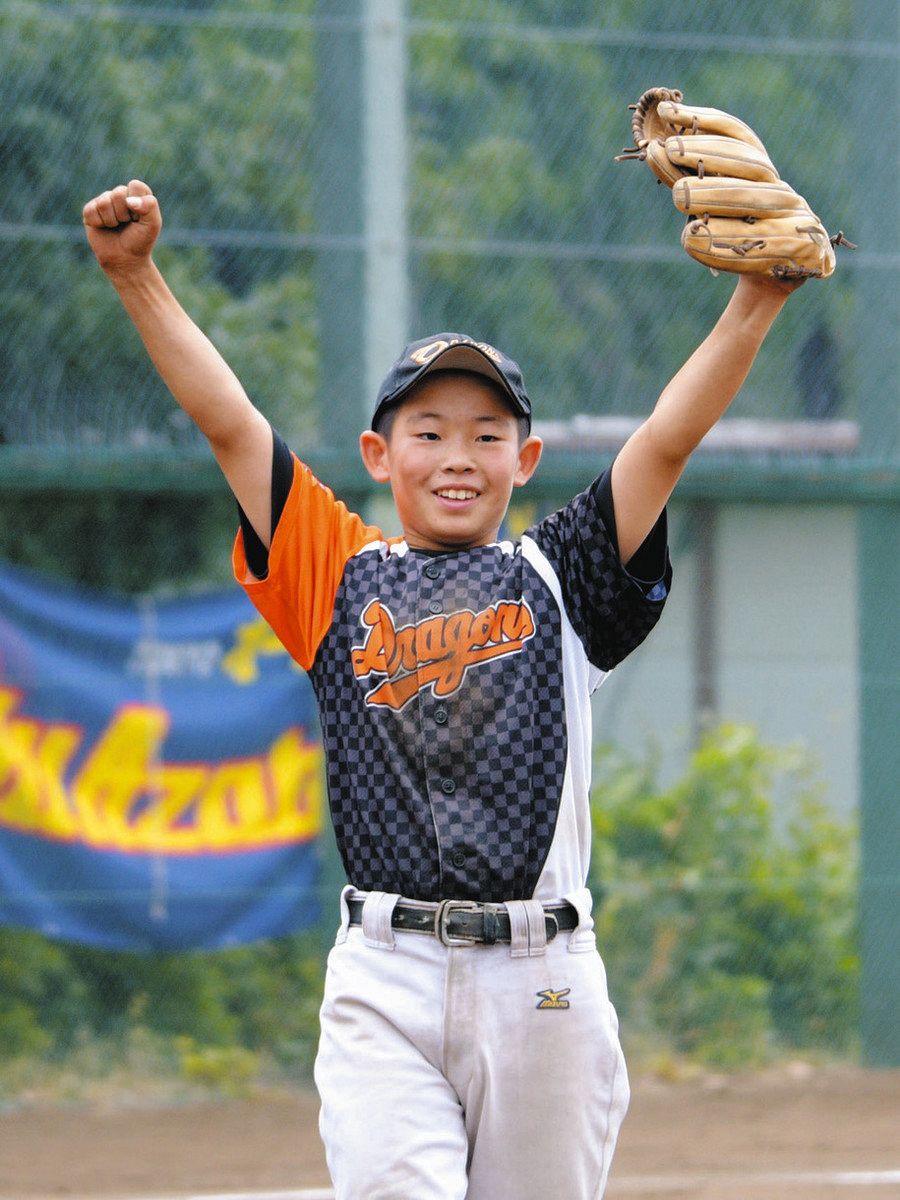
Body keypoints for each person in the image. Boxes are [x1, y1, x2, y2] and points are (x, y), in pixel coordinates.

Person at [83, 179, 800, 1199]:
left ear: (527, 458)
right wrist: (136, 275)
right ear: (379, 454)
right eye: (428, 430)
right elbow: (234, 428)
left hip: (542, 980)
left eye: (486, 432)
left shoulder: (564, 575)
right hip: (386, 975)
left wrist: (757, 300)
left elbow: (666, 442)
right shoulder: (333, 573)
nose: (457, 455)